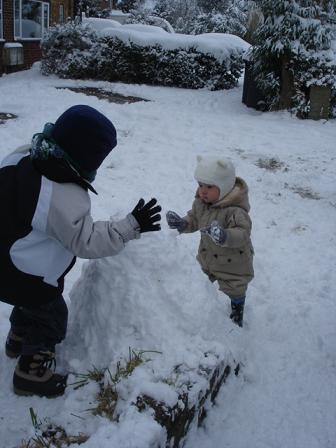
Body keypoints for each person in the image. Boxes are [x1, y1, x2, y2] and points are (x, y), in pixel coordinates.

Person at [0, 105, 161, 398]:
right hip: (23, 271)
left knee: (28, 303)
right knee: (50, 316)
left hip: (5, 261)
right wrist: (129, 226)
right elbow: (85, 240)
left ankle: (17, 339)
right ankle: (30, 373)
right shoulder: (60, 193)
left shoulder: (24, 155)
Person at [166, 155, 254, 327]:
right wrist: (183, 224)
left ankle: (237, 310)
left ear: (225, 187)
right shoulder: (200, 203)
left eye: (209, 186)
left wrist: (225, 236)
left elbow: (242, 232)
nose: (202, 191)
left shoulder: (235, 211)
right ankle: (201, 307)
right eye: (200, 185)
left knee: (234, 287)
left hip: (233, 262)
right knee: (199, 279)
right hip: (207, 256)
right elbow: (194, 219)